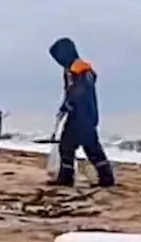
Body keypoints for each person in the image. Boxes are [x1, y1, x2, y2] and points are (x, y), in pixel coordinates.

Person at [47, 37, 114, 187]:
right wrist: (65, 105)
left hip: (83, 114)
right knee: (90, 146)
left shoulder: (82, 69)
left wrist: (70, 103)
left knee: (68, 144)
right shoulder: (70, 70)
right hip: (80, 113)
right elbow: (71, 91)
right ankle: (106, 177)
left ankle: (67, 177)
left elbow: (81, 89)